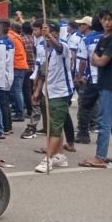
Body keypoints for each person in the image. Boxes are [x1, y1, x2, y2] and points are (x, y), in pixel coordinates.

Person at [80, 9, 112, 168]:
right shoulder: (103, 38)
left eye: (110, 19)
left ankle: (100, 156)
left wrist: (97, 58)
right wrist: (97, 58)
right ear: (100, 20)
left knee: (104, 121)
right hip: (105, 83)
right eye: (104, 19)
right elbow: (95, 60)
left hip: (111, 84)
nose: (107, 22)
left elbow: (100, 61)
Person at [33, 22, 74, 173]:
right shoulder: (47, 51)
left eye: (49, 32)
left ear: (56, 33)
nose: (45, 35)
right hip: (49, 92)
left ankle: (48, 159)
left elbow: (59, 47)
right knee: (54, 125)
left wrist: (49, 37)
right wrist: (38, 90)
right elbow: (43, 72)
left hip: (60, 93)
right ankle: (59, 155)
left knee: (55, 127)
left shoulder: (63, 47)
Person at [74, 15, 101, 144]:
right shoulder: (111, 38)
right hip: (108, 80)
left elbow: (83, 61)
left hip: (92, 79)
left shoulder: (87, 40)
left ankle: (83, 134)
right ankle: (103, 136)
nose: (79, 26)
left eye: (81, 24)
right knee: (107, 109)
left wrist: (80, 76)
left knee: (85, 106)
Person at [20, 21, 43, 139]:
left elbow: (40, 64)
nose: (33, 32)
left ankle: (32, 126)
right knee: (39, 101)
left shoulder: (43, 44)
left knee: (36, 101)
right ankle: (45, 126)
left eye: (36, 30)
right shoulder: (37, 41)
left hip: (41, 75)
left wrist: (36, 81)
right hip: (36, 72)